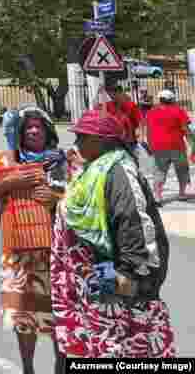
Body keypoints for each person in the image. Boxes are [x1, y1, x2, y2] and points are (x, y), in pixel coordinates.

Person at [51, 110, 175, 367]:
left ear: (101, 140)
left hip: (119, 270)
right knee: (105, 334)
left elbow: (133, 221)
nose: (77, 143)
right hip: (100, 268)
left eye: (83, 137)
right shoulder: (94, 169)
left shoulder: (119, 171)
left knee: (125, 340)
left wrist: (128, 272)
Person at [0, 107, 66, 374]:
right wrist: (9, 181)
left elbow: (85, 200)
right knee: (24, 318)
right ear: (20, 133)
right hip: (18, 253)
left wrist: (57, 199)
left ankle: (62, 366)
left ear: (48, 130)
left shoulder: (64, 160)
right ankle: (28, 369)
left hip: (58, 253)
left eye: (39, 127)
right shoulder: (3, 160)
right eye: (28, 128)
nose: (34, 131)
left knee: (60, 315)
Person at [145, 89, 191, 202]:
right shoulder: (179, 111)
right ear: (172, 100)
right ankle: (182, 193)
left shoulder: (151, 112)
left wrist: (149, 145)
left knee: (160, 171)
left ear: (160, 100)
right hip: (177, 146)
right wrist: (191, 141)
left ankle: (158, 196)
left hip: (158, 146)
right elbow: (185, 128)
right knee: (182, 169)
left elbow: (148, 129)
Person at [103, 82, 142, 147]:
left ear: (120, 92)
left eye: (114, 94)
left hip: (129, 141)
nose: (112, 96)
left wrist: (139, 135)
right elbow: (103, 118)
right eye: (110, 95)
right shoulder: (108, 105)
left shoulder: (131, 105)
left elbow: (138, 123)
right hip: (114, 141)